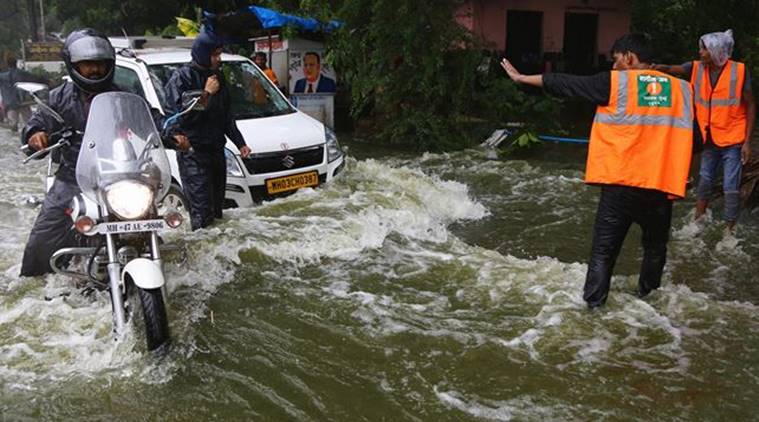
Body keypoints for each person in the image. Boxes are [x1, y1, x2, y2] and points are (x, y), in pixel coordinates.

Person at [501, 33, 694, 308]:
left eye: (616, 60)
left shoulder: (615, 82)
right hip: (660, 187)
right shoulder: (683, 90)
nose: (614, 67)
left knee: (603, 253)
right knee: (654, 250)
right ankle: (649, 301)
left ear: (629, 57)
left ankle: (594, 308)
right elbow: (696, 138)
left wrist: (523, 79)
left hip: (620, 184)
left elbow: (568, 83)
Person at [19, 29, 121, 276]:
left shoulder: (123, 96)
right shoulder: (58, 98)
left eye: (99, 64)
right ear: (74, 65)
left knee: (146, 221)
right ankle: (35, 281)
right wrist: (35, 136)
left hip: (118, 176)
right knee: (41, 240)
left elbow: (150, 119)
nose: (94, 70)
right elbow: (36, 123)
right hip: (72, 177)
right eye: (87, 64)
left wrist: (170, 133)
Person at [655, 30, 755, 232]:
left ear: (716, 51)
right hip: (708, 137)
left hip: (733, 138)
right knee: (705, 180)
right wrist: (650, 68)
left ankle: (730, 229)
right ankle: (698, 221)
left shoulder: (739, 71)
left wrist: (747, 142)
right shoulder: (696, 68)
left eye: (704, 49)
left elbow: (751, 105)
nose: (700, 53)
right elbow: (671, 69)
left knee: (730, 186)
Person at [163, 30, 251, 231]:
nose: (218, 59)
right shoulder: (181, 78)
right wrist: (206, 94)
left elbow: (226, 115)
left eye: (219, 54)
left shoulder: (218, 77)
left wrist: (240, 142)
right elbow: (180, 117)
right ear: (203, 54)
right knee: (202, 214)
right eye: (214, 55)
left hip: (216, 151)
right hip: (194, 154)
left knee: (217, 211)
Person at [0, 57, 48, 132]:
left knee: (13, 124)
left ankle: (14, 138)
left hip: (10, 103)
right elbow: (36, 79)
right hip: (23, 102)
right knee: (30, 122)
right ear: (16, 63)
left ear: (7, 64)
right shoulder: (23, 74)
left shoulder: (2, 76)